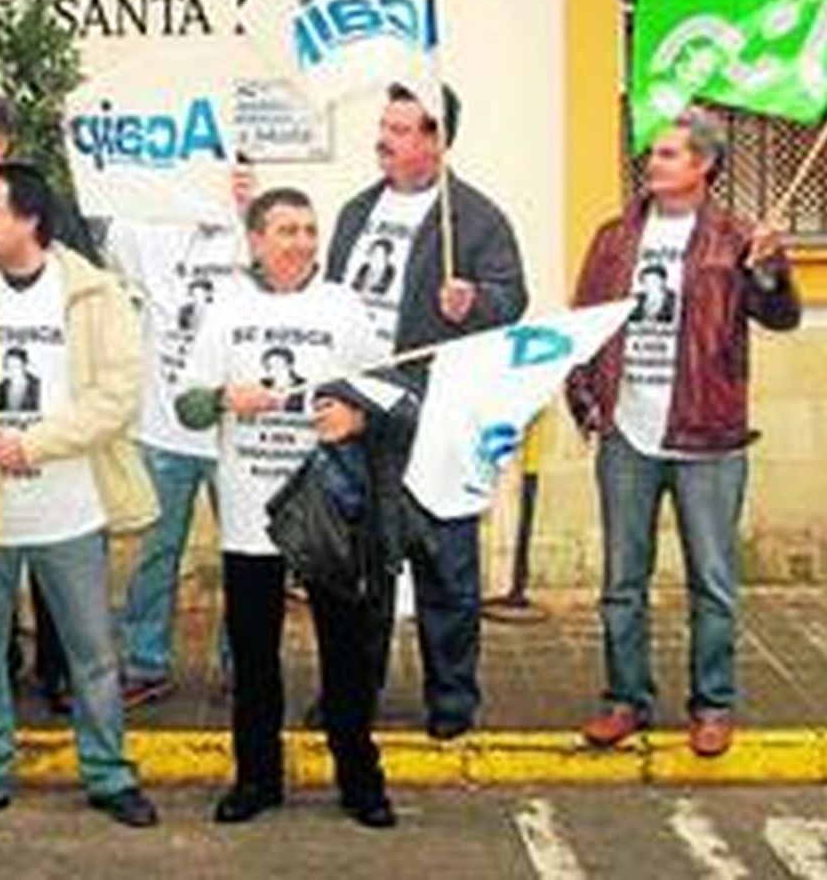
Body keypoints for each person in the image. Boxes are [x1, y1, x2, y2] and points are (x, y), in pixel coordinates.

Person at [0, 160, 159, 831]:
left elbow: (117, 399)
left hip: (70, 511)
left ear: (29, 221)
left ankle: (108, 774)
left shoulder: (95, 296)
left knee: (93, 654)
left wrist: (36, 444)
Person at [567, 107, 800, 758]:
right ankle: (625, 700)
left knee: (714, 582)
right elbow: (584, 323)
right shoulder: (614, 237)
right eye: (654, 152)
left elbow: (780, 317)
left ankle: (714, 705)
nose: (653, 162)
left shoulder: (736, 237)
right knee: (621, 582)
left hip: (708, 439)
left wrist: (768, 270)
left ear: (703, 165)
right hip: (628, 437)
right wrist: (589, 406)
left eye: (669, 154)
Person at [174, 187, 396, 827]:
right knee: (254, 656)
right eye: (286, 230)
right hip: (251, 514)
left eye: (308, 228)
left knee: (345, 655)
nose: (300, 241)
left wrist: (354, 417)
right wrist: (222, 398)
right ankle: (257, 780)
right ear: (256, 241)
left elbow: (385, 391)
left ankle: (360, 782)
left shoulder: (343, 306)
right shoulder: (227, 308)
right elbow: (187, 405)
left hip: (327, 509)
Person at [325, 82, 527, 739]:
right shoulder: (356, 210)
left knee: (444, 561)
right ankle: (353, 694)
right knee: (360, 564)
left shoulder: (474, 218)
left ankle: (451, 700)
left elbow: (512, 298)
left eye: (401, 128)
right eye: (384, 125)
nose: (383, 138)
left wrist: (476, 302)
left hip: (436, 414)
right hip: (361, 407)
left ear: (436, 140)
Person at [0, 91, 82, 712]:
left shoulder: (40, 206)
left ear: (1, 144)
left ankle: (58, 671)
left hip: (49, 432)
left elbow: (82, 287)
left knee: (55, 559)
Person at [106, 167, 251, 708]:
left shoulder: (252, 227)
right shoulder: (146, 230)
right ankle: (145, 664)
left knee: (245, 555)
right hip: (163, 428)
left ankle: (244, 663)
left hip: (236, 430)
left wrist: (246, 204)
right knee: (154, 553)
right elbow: (98, 207)